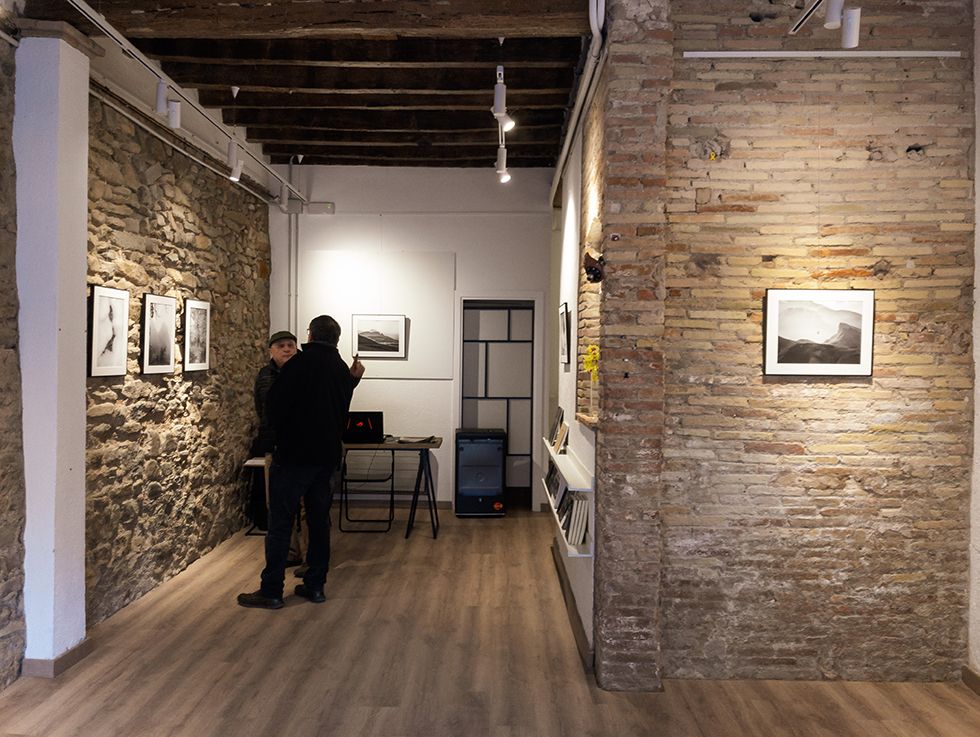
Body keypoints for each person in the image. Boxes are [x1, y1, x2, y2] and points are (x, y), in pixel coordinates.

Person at [238, 315, 364, 609]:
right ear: (335, 338)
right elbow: (341, 408)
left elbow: (274, 409)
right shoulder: (339, 369)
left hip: (294, 458)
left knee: (281, 523)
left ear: (310, 335)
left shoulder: (297, 366)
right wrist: (354, 379)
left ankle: (271, 590)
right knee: (319, 523)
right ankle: (315, 586)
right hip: (326, 459)